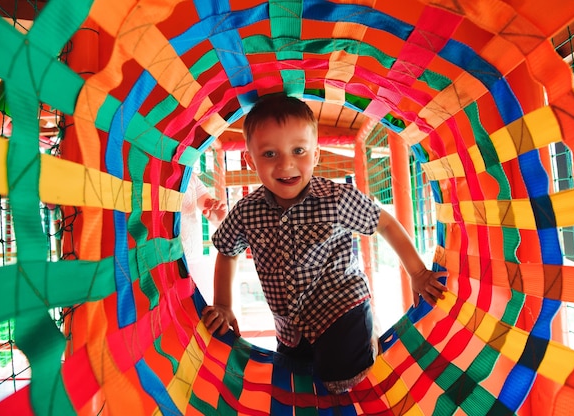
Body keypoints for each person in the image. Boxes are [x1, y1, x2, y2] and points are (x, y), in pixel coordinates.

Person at [202, 94, 447, 394]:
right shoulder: (245, 212)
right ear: (250, 160)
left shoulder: (336, 198)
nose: (286, 164)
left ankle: (366, 345)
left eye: (299, 150)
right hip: (290, 327)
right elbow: (227, 252)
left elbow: (384, 222)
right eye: (269, 154)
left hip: (342, 307)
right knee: (299, 384)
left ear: (315, 155)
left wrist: (418, 273)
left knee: (342, 375)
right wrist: (224, 305)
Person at [180, 173, 227, 301]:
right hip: (162, 258)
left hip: (191, 258)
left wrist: (218, 218)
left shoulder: (190, 176)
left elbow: (208, 205)